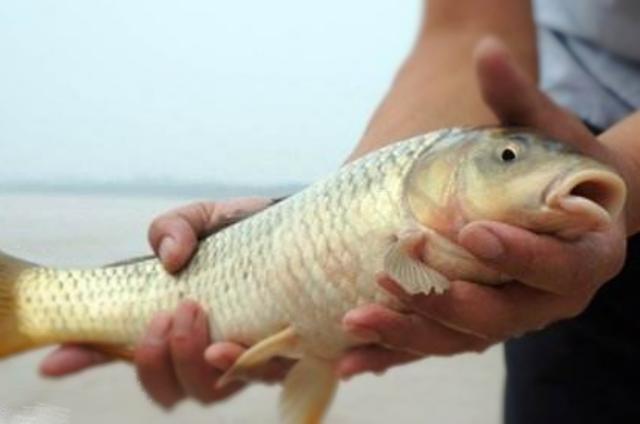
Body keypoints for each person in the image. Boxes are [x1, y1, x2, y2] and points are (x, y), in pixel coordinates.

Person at [38, 1, 640, 422]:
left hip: (576, 165)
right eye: (502, 160)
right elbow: (464, 30)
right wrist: (313, 217)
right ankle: (45, 306)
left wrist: (624, 176)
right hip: (569, 142)